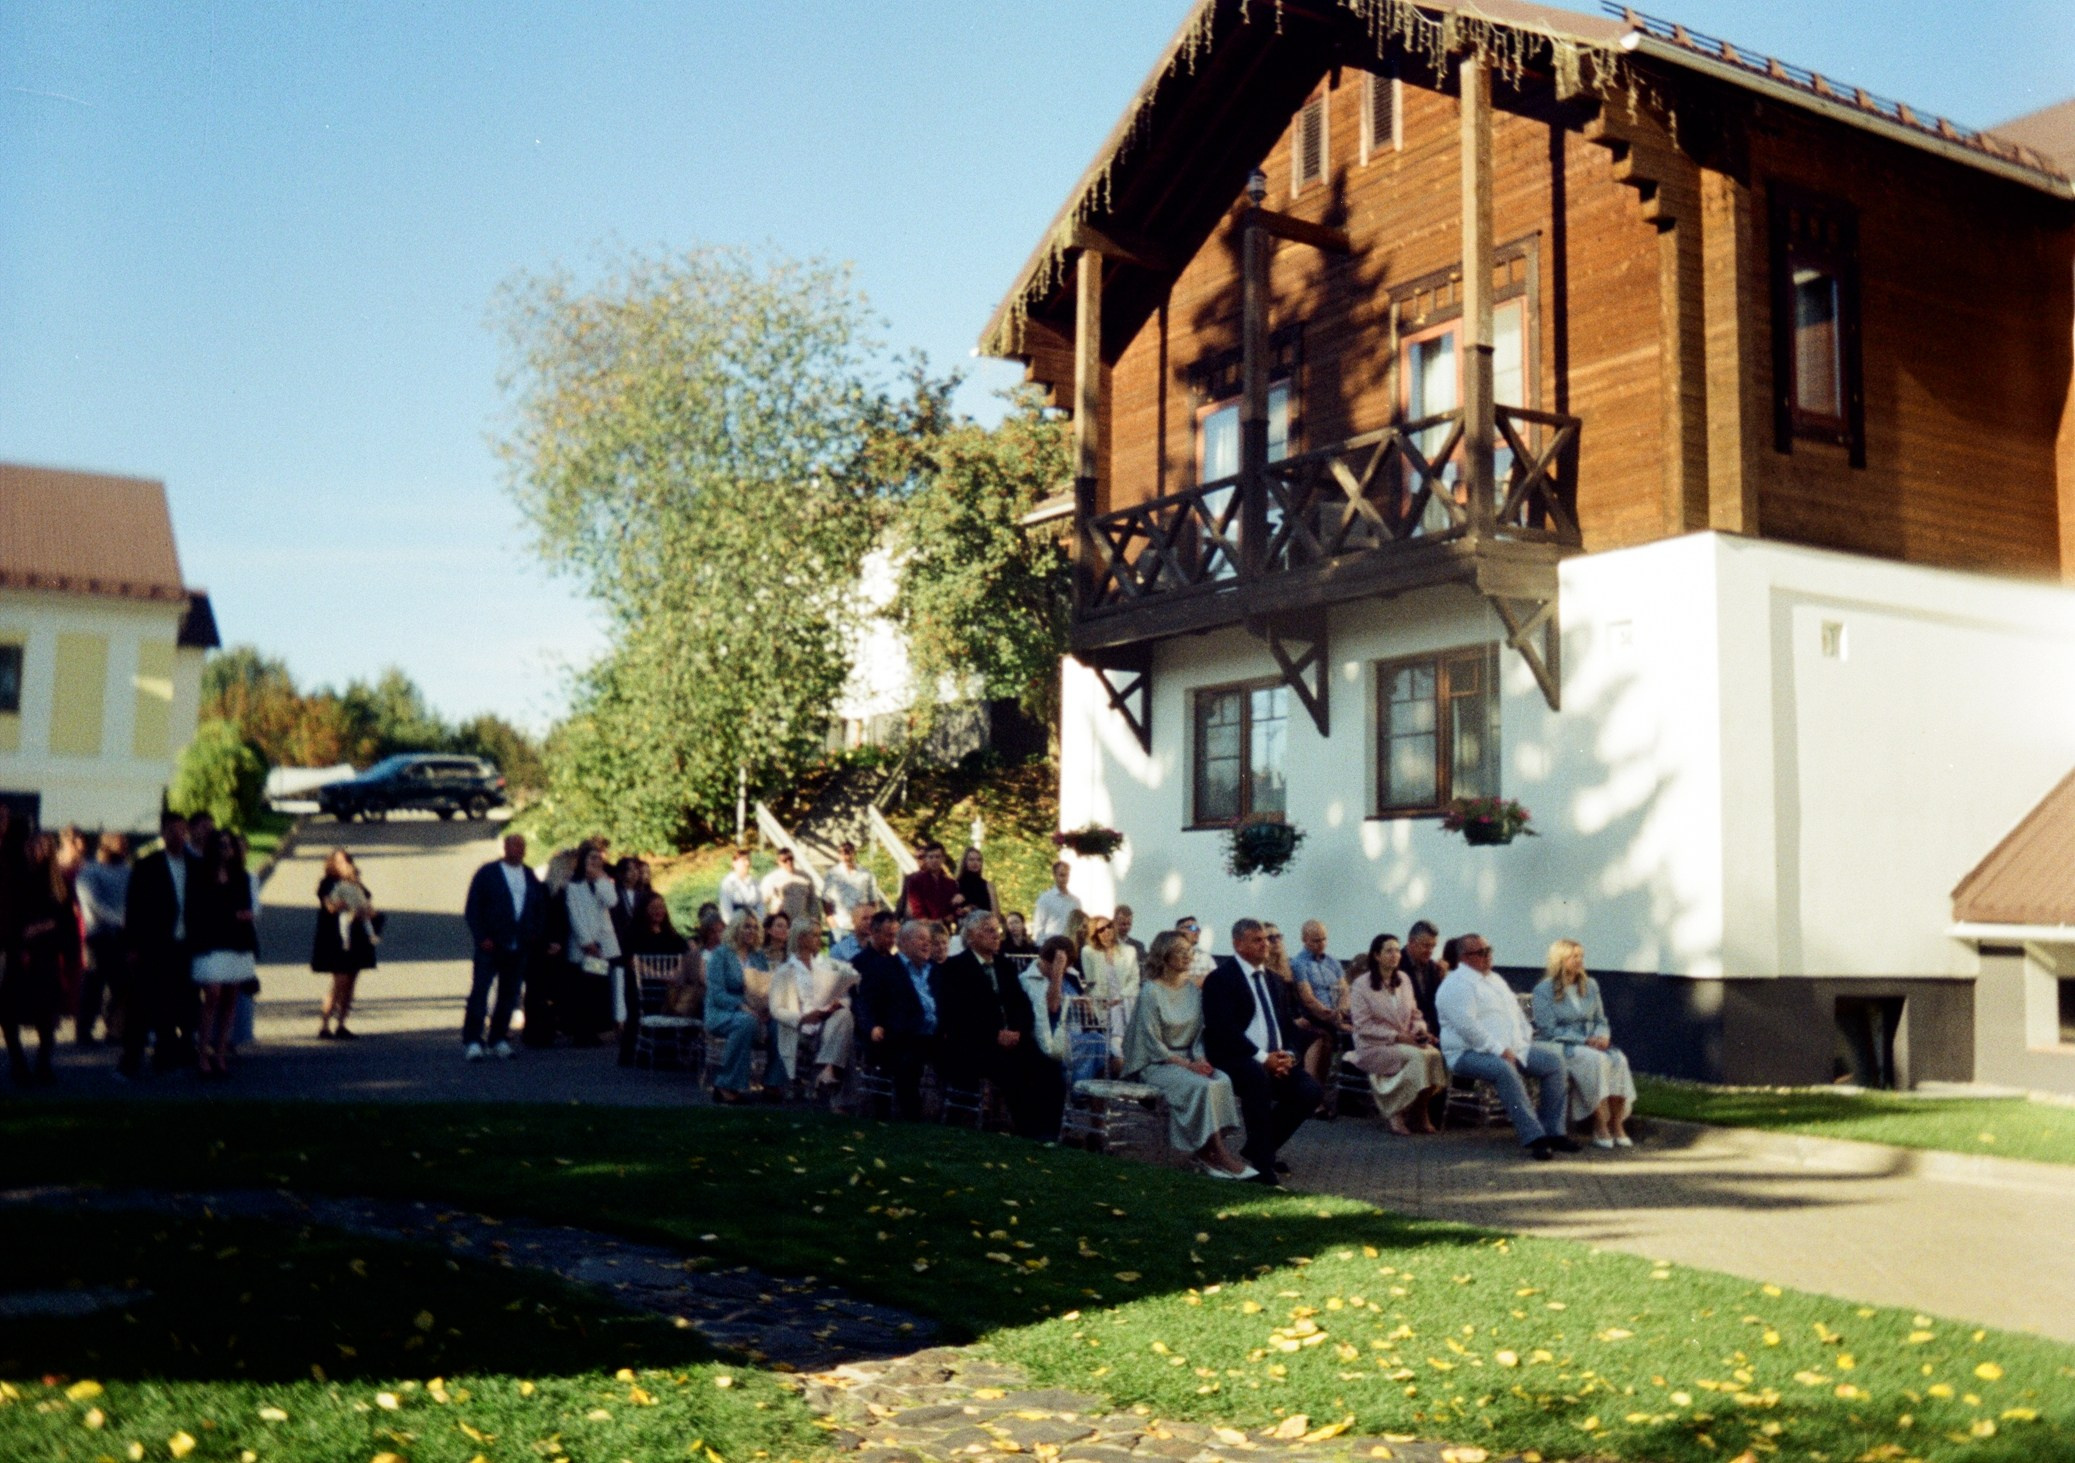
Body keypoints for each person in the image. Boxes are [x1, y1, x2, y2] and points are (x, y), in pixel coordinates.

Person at [1122, 930, 1253, 1178]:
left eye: (1189, 951)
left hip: (1189, 1060)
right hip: (1157, 1064)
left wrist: (1200, 1059)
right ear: (1164, 955)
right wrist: (1186, 1065)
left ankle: (1207, 1154)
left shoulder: (1193, 991)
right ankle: (1218, 1155)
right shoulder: (1151, 991)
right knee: (1201, 1086)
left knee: (1221, 1080)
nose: (1188, 956)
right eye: (1180, 951)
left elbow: (1199, 1035)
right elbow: (1151, 1041)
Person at [1202, 918, 1319, 1184]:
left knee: (1309, 1091)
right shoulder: (1221, 979)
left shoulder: (1275, 980)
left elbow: (1288, 1026)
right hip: (1235, 1058)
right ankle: (1263, 1165)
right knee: (1256, 1078)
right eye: (1257, 940)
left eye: (1266, 939)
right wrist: (1263, 1058)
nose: (1265, 944)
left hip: (1275, 1058)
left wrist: (1289, 1056)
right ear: (1238, 944)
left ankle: (1259, 1147)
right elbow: (1224, 1030)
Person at [1436, 933, 1574, 1160]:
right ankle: (1534, 1136)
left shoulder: (1495, 979)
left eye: (1489, 950)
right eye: (1482, 953)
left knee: (1554, 1063)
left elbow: (1517, 1014)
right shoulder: (1455, 985)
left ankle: (1554, 1132)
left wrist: (1524, 1041)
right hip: (1467, 1054)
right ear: (1464, 958)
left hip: (1511, 1049)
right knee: (1504, 1070)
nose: (1488, 956)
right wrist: (1499, 1050)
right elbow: (1468, 1028)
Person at [1532, 939, 1637, 1148]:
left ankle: (1617, 1124)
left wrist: (1602, 1037)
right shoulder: (1543, 990)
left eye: (1581, 956)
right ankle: (1600, 1125)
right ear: (1560, 960)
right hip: (1556, 1043)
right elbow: (1547, 1029)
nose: (1580, 961)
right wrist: (1584, 1040)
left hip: (1592, 1041)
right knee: (1595, 1060)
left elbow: (1600, 1020)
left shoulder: (1590, 985)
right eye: (1574, 957)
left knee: (1619, 1060)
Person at [1347, 933, 1449, 1134]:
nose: (1395, 955)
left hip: (1404, 1041)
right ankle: (1396, 1111)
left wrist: (1421, 1031)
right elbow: (1363, 1026)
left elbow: (1415, 1014)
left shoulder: (1404, 979)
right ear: (1377, 955)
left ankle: (1420, 1111)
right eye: (1389, 951)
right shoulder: (1361, 985)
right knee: (1418, 1058)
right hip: (1373, 1046)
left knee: (1434, 1055)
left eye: (1396, 950)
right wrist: (1398, 1037)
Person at [119, 810, 192, 1078]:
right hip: (153, 945)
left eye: (182, 830)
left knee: (173, 1004)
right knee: (142, 1003)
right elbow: (133, 908)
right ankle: (131, 1060)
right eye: (172, 831)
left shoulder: (193, 865)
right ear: (162, 833)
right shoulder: (147, 865)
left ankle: (165, 1057)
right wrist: (132, 946)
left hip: (182, 945)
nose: (178, 836)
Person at [461, 832, 545, 1061]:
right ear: (505, 848)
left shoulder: (529, 875)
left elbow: (539, 905)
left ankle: (498, 1038)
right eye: (514, 845)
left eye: (522, 846)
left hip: (519, 946)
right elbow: (473, 908)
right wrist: (481, 937)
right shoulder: (488, 873)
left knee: (509, 994)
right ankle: (473, 1040)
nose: (519, 850)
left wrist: (534, 933)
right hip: (490, 945)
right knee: (480, 992)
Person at [187, 831, 259, 1078]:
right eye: (221, 844)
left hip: (236, 941)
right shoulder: (201, 875)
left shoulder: (241, 877)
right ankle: (202, 1054)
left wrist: (239, 915)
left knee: (230, 999)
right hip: (211, 942)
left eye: (229, 845)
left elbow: (246, 907)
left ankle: (219, 1054)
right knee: (212, 994)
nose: (226, 849)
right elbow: (198, 908)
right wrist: (230, 914)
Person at [853, 915, 937, 1119]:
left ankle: (953, 1117)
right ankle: (911, 1117)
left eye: (929, 940)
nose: (927, 944)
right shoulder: (883, 967)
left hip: (937, 1036)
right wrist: (872, 1026)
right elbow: (865, 1003)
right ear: (904, 942)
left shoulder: (935, 970)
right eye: (921, 939)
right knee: (908, 1059)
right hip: (900, 1036)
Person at [4, 831, 70, 1083]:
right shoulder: (16, 878)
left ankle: (43, 1064)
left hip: (46, 954)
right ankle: (19, 1064)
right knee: (10, 1011)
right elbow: (11, 915)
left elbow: (64, 920)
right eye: (33, 845)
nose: (37, 851)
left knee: (46, 1012)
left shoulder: (56, 882)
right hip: (18, 951)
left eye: (43, 846)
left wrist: (44, 927)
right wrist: (21, 939)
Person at [770, 921, 858, 1097]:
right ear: (802, 939)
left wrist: (836, 1004)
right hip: (802, 1026)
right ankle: (839, 1099)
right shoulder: (785, 971)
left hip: (827, 1022)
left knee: (844, 1015)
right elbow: (776, 1009)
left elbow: (846, 998)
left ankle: (828, 1068)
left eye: (820, 935)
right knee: (845, 1040)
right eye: (815, 935)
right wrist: (802, 1018)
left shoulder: (826, 966)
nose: (820, 940)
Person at [311, 849, 378, 1040]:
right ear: (332, 864)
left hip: (357, 937)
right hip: (335, 938)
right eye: (339, 862)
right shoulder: (327, 883)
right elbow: (331, 906)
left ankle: (341, 1023)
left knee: (351, 981)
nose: (344, 865)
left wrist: (360, 903)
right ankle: (324, 1025)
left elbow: (367, 905)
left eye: (347, 861)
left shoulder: (356, 883)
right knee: (339, 981)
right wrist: (349, 903)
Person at [562, 844, 622, 1047]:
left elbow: (612, 902)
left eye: (598, 858)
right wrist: (586, 942)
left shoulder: (604, 881)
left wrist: (600, 880)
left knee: (597, 988)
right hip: (584, 945)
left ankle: (594, 1031)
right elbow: (574, 915)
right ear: (583, 861)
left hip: (602, 944)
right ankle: (581, 1032)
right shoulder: (573, 885)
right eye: (591, 858)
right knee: (582, 990)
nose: (596, 862)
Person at [74, 832, 130, 1045]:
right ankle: (84, 1030)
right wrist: (121, 919)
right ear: (105, 845)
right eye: (119, 843)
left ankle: (115, 1029)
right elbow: (92, 904)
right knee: (93, 984)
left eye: (124, 844)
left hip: (123, 937)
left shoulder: (128, 871)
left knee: (121, 986)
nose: (123, 847)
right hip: (98, 936)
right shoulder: (90, 872)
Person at [703, 912, 766, 1104]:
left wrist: (766, 1008)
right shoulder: (721, 955)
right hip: (721, 1012)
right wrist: (741, 1005)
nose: (751, 931)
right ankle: (726, 1085)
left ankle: (773, 1084)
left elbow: (764, 987)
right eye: (747, 926)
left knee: (778, 1024)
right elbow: (717, 994)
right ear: (736, 928)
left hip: (754, 1010)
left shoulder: (758, 957)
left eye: (755, 927)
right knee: (745, 1022)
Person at [1289, 920, 1350, 1117]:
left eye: (1324, 939)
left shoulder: (1333, 962)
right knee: (1322, 1039)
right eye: (1316, 940)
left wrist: (1341, 1011)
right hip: (1314, 1017)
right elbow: (1308, 999)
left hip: (1337, 1015)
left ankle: (1345, 1098)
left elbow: (1344, 990)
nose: (1321, 944)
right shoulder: (1299, 964)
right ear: (1304, 939)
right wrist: (1331, 1016)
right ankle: (1315, 1098)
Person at [1080, 914, 1139, 1073]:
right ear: (1095, 934)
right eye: (1101, 929)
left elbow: (1134, 981)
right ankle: (1121, 1059)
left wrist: (1119, 998)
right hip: (1102, 1002)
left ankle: (1121, 1056)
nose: (1106, 931)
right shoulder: (1088, 952)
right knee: (1114, 1014)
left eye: (1109, 926)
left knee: (1121, 1009)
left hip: (1126, 999)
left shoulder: (1129, 951)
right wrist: (1104, 1000)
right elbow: (1091, 983)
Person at [821, 841, 883, 934]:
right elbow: (826, 900)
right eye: (841, 852)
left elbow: (873, 900)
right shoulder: (832, 874)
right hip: (840, 924)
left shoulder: (866, 874)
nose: (845, 855)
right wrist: (833, 924)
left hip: (862, 926)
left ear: (854, 853)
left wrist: (871, 923)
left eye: (847, 851)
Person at [898, 843, 958, 923]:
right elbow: (916, 910)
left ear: (943, 859)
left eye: (937, 857)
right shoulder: (915, 881)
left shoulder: (951, 884)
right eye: (931, 857)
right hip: (920, 925)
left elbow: (953, 911)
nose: (934, 860)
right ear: (926, 859)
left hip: (943, 926)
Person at [761, 847, 820, 926]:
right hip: (779, 924)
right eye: (785, 860)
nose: (789, 862)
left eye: (791, 859)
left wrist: (814, 920)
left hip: (800, 924)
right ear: (778, 862)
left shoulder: (805, 877)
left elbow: (813, 902)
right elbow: (762, 902)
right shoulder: (770, 879)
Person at [1031, 860, 1082, 942]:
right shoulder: (1045, 899)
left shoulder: (1075, 901)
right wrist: (1042, 945)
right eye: (1062, 875)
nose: (1065, 879)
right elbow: (1038, 927)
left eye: (1067, 875)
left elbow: (1078, 926)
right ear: (1054, 876)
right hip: (1051, 944)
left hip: (1070, 945)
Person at [718, 848, 762, 926]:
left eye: (748, 860)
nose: (747, 863)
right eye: (743, 860)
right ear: (734, 863)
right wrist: (737, 927)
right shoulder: (727, 883)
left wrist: (756, 925)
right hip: (736, 927)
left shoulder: (756, 883)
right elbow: (726, 912)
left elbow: (761, 908)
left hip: (754, 926)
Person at [955, 846, 998, 915]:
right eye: (971, 860)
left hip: (986, 919)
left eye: (978, 860)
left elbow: (996, 913)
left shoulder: (988, 886)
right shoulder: (956, 884)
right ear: (965, 862)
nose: (975, 863)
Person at [1176, 916, 1215, 985]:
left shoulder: (1204, 956)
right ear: (1179, 930)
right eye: (1193, 928)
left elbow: (1215, 980)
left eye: (1198, 929)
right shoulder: (1170, 954)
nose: (1197, 932)